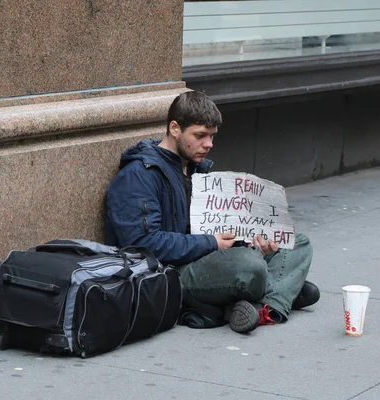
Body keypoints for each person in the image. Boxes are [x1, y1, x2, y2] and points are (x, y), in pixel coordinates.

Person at [105, 90, 319, 334]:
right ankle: (280, 293)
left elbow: (217, 231)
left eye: (212, 136)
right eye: (200, 136)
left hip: (208, 256)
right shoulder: (139, 176)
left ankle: (261, 306)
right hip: (170, 271)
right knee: (251, 267)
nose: (209, 144)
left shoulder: (199, 171)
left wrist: (250, 243)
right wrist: (212, 243)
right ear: (175, 128)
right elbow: (141, 244)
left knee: (296, 244)